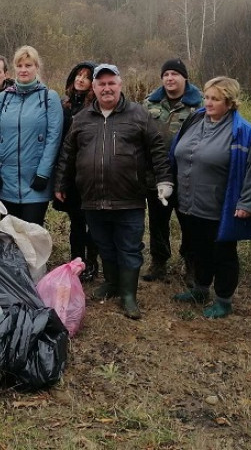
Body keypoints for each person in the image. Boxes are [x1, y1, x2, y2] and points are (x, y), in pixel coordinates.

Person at [55, 64, 172, 320]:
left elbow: (157, 150)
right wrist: (61, 183)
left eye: (111, 83)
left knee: (129, 247)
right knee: (103, 244)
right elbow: (68, 154)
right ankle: (111, 282)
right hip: (92, 198)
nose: (107, 88)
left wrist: (164, 180)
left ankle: (128, 294)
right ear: (94, 88)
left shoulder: (138, 115)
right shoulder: (82, 118)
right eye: (101, 84)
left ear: (120, 85)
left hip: (128, 197)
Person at [171, 76, 251, 319]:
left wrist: (247, 203)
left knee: (222, 252)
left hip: (220, 206)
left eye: (215, 98)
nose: (209, 102)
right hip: (188, 202)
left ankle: (223, 299)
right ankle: (201, 289)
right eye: (206, 97)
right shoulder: (195, 120)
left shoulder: (244, 133)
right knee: (198, 247)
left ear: (230, 102)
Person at [0, 46, 63, 226]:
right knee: (9, 236)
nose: (23, 70)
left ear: (37, 67)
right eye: (19, 65)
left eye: (28, 65)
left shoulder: (48, 97)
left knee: (32, 236)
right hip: (6, 182)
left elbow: (54, 138)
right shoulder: (4, 98)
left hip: (35, 182)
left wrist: (43, 173)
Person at [141, 58, 203, 284]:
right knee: (158, 221)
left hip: (188, 176)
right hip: (155, 175)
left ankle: (192, 264)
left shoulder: (199, 105)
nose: (170, 78)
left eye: (174, 74)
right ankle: (159, 261)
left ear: (184, 78)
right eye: (166, 75)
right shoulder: (149, 104)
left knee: (189, 222)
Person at [52, 61, 99, 281]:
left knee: (94, 222)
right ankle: (77, 262)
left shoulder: (96, 106)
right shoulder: (64, 105)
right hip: (69, 171)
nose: (81, 80)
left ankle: (93, 261)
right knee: (77, 222)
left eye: (86, 77)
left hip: (91, 173)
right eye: (78, 76)